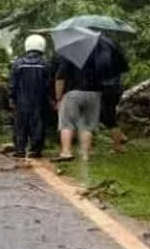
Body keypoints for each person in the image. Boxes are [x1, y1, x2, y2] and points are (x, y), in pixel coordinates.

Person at [54, 33, 115, 161]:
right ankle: (85, 154)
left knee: (67, 123)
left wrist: (58, 97)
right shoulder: (99, 56)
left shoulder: (70, 55)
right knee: (88, 125)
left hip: (73, 93)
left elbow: (60, 77)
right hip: (94, 94)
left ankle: (66, 152)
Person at [8, 34, 51, 158]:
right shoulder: (45, 64)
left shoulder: (18, 63)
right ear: (42, 46)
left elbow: (12, 83)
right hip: (40, 101)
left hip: (21, 100)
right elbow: (49, 83)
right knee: (38, 125)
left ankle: (20, 149)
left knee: (20, 125)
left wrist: (11, 98)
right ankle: (35, 150)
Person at [96, 32, 129, 152]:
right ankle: (120, 136)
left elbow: (102, 67)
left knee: (107, 116)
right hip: (117, 86)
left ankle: (118, 146)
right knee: (108, 114)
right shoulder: (112, 46)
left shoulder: (101, 49)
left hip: (108, 87)